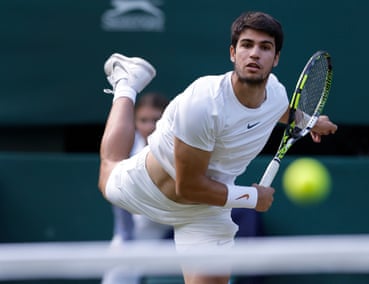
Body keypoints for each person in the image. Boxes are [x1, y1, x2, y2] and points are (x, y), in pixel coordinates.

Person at [98, 11, 338, 284]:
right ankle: (126, 84)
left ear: (276, 58)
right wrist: (251, 197)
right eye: (247, 45)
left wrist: (311, 121)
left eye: (265, 47)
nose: (255, 54)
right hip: (149, 188)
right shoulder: (204, 103)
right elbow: (187, 186)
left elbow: (280, 111)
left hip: (207, 209)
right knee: (109, 169)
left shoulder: (277, 93)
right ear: (233, 53)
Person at [102, 92, 171, 284]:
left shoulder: (180, 145)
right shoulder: (127, 145)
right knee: (117, 270)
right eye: (143, 120)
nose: (150, 126)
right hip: (137, 226)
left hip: (178, 222)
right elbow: (118, 193)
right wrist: (125, 235)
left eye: (156, 119)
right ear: (134, 121)